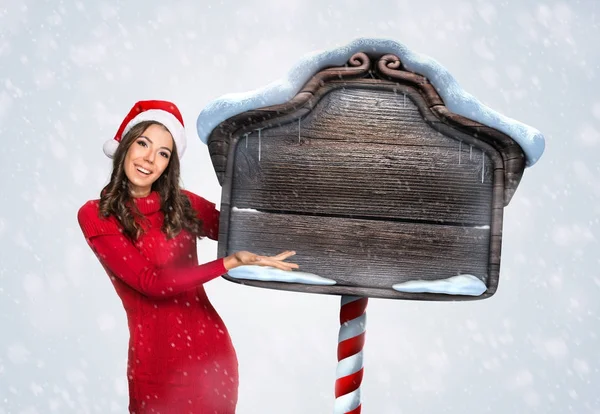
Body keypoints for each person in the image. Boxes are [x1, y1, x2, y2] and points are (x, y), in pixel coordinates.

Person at [77, 100, 298, 413]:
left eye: (163, 153)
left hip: (212, 356)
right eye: (143, 143)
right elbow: (150, 283)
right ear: (125, 145)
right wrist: (229, 262)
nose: (150, 159)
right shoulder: (97, 215)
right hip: (156, 369)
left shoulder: (182, 204)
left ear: (170, 163)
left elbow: (241, 228)